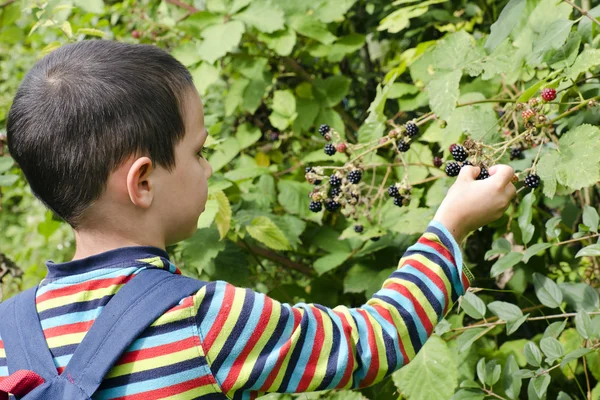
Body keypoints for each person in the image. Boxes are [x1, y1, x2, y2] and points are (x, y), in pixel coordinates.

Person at [0, 40, 515, 399]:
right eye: (198, 152)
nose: (207, 168)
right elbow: (372, 341)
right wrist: (451, 227)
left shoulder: (7, 336)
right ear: (143, 182)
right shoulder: (203, 321)